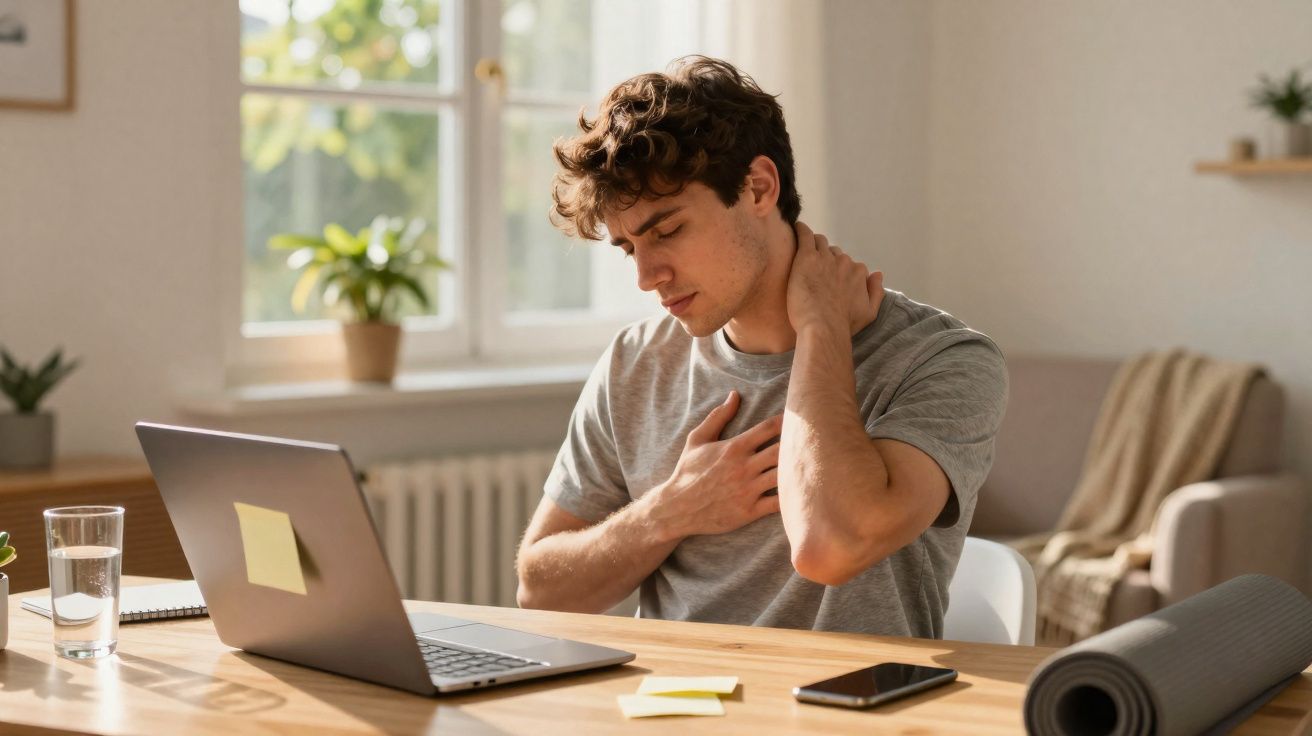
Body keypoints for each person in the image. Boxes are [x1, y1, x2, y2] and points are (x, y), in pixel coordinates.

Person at [514, 56, 1008, 637]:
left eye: (667, 231)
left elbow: (832, 546)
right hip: (674, 711)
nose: (647, 277)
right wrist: (671, 510)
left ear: (759, 187)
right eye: (628, 249)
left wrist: (821, 329)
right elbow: (540, 592)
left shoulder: (943, 360)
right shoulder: (635, 362)